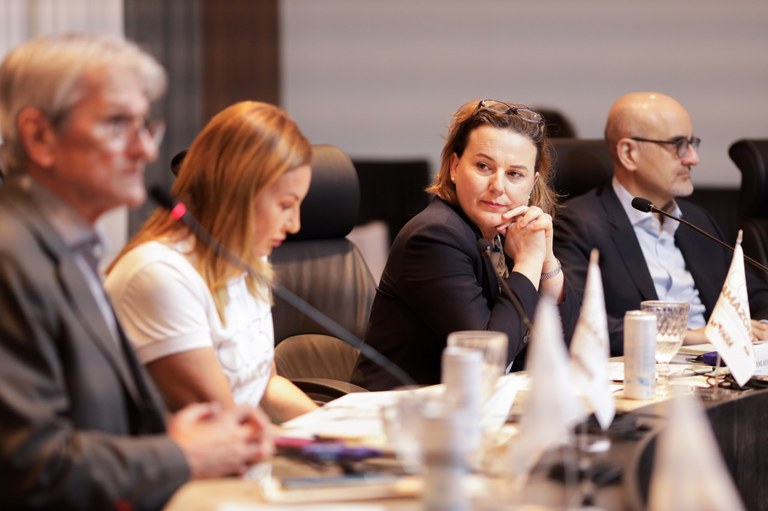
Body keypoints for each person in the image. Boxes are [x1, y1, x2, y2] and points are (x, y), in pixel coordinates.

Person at [0, 34, 273, 510]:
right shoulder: (11, 257)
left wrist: (169, 434)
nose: (145, 150)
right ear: (39, 136)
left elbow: (88, 424)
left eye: (146, 125)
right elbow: (30, 467)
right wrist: (178, 453)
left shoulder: (70, 247)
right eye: (117, 124)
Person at [105, 101, 318, 422]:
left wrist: (337, 434)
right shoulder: (159, 275)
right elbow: (223, 419)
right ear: (236, 194)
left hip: (241, 455)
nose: (295, 224)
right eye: (286, 205)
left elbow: (265, 386)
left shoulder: (250, 262)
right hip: (201, 465)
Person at [351, 99, 579, 390]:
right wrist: (528, 263)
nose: (498, 186)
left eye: (514, 174)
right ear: (455, 166)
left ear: (532, 183)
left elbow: (568, 345)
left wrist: (546, 260)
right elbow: (487, 358)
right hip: (405, 416)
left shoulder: (507, 233)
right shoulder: (434, 237)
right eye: (484, 166)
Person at [553, 91, 768, 355]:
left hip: (718, 369)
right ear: (629, 153)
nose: (693, 159)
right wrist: (688, 337)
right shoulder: (578, 223)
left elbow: (756, 296)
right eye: (678, 145)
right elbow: (580, 323)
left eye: (692, 143)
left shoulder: (697, 219)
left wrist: (761, 330)